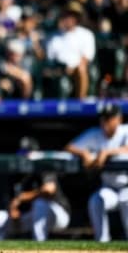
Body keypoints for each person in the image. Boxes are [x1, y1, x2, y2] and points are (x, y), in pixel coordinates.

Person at [64, 103, 128, 242]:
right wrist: (84, 153)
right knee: (96, 200)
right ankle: (102, 243)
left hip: (126, 187)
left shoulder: (125, 131)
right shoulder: (95, 133)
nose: (105, 122)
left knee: (126, 200)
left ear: (119, 119)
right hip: (109, 187)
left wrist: (107, 152)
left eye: (109, 118)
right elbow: (69, 147)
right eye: (103, 118)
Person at [0, 141, 70, 241]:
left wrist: (23, 198)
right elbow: (11, 200)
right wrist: (12, 209)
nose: (24, 157)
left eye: (27, 153)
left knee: (40, 204)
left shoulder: (43, 167)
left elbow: (49, 190)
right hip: (29, 215)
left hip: (58, 214)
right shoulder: (16, 174)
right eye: (22, 153)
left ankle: (39, 245)